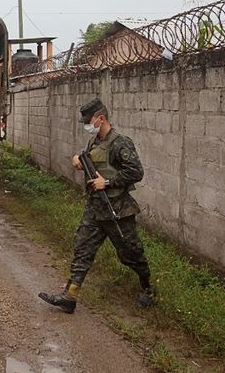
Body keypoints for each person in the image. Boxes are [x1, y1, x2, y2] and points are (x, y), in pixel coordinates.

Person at [38, 98, 154, 313]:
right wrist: (80, 162)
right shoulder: (94, 142)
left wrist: (107, 182)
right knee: (83, 248)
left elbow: (136, 172)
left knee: (131, 253)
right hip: (95, 208)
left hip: (117, 210)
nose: (86, 125)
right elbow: (96, 164)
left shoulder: (121, 142)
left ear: (101, 119)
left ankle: (148, 289)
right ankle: (69, 297)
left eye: (89, 121)